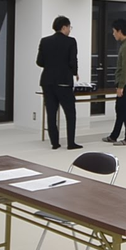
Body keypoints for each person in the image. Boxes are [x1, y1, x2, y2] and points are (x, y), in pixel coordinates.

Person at [37, 15, 81, 150]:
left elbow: (39, 62)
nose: (70, 30)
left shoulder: (44, 41)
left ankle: (54, 143)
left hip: (47, 81)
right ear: (64, 27)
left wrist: (51, 65)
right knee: (70, 113)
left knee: (51, 113)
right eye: (69, 27)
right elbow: (73, 61)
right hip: (64, 82)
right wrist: (74, 72)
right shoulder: (71, 41)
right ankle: (71, 143)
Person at [102, 19, 126, 146]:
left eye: (114, 31)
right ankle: (114, 135)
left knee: (125, 110)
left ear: (120, 31)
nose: (113, 34)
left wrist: (121, 86)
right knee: (120, 109)